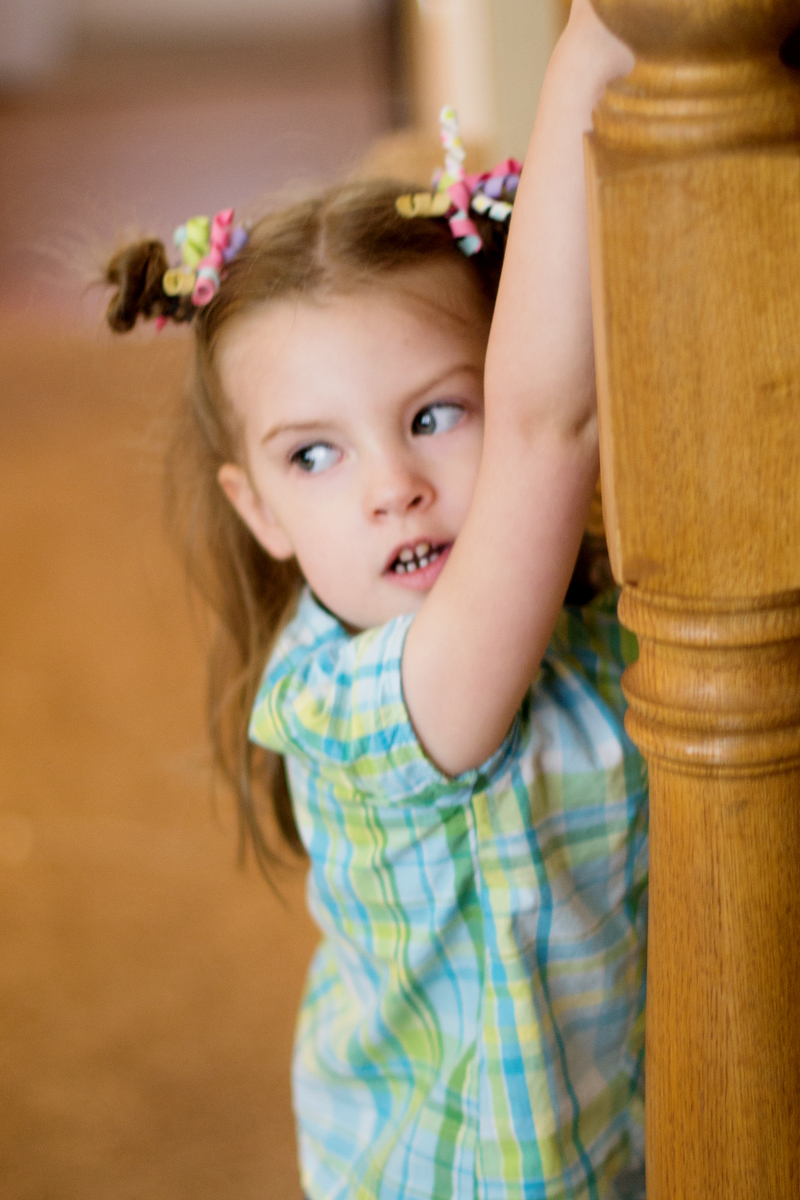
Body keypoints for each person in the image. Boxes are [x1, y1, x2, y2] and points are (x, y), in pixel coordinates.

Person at [103, 2, 646, 1196]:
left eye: (433, 414)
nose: (392, 487)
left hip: (619, 1131)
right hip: (447, 1172)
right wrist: (590, 53)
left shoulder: (589, 609)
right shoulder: (347, 702)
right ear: (259, 511)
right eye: (315, 455)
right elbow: (548, 427)